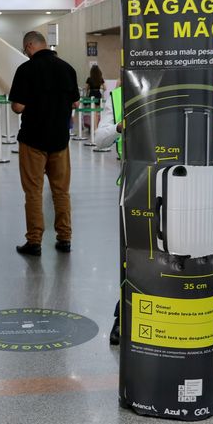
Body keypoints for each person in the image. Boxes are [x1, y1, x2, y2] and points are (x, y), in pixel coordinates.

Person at [10, 31, 79, 256]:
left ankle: (34, 242)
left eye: (24, 49)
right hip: (60, 140)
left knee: (33, 192)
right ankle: (65, 238)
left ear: (30, 46)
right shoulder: (67, 68)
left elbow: (18, 106)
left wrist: (35, 104)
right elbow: (75, 102)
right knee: (61, 192)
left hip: (33, 140)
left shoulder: (26, 70)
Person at [94, 83, 124, 345]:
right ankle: (123, 315)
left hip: (177, 181)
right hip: (133, 185)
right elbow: (99, 138)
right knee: (133, 254)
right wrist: (118, 127)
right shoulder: (116, 98)